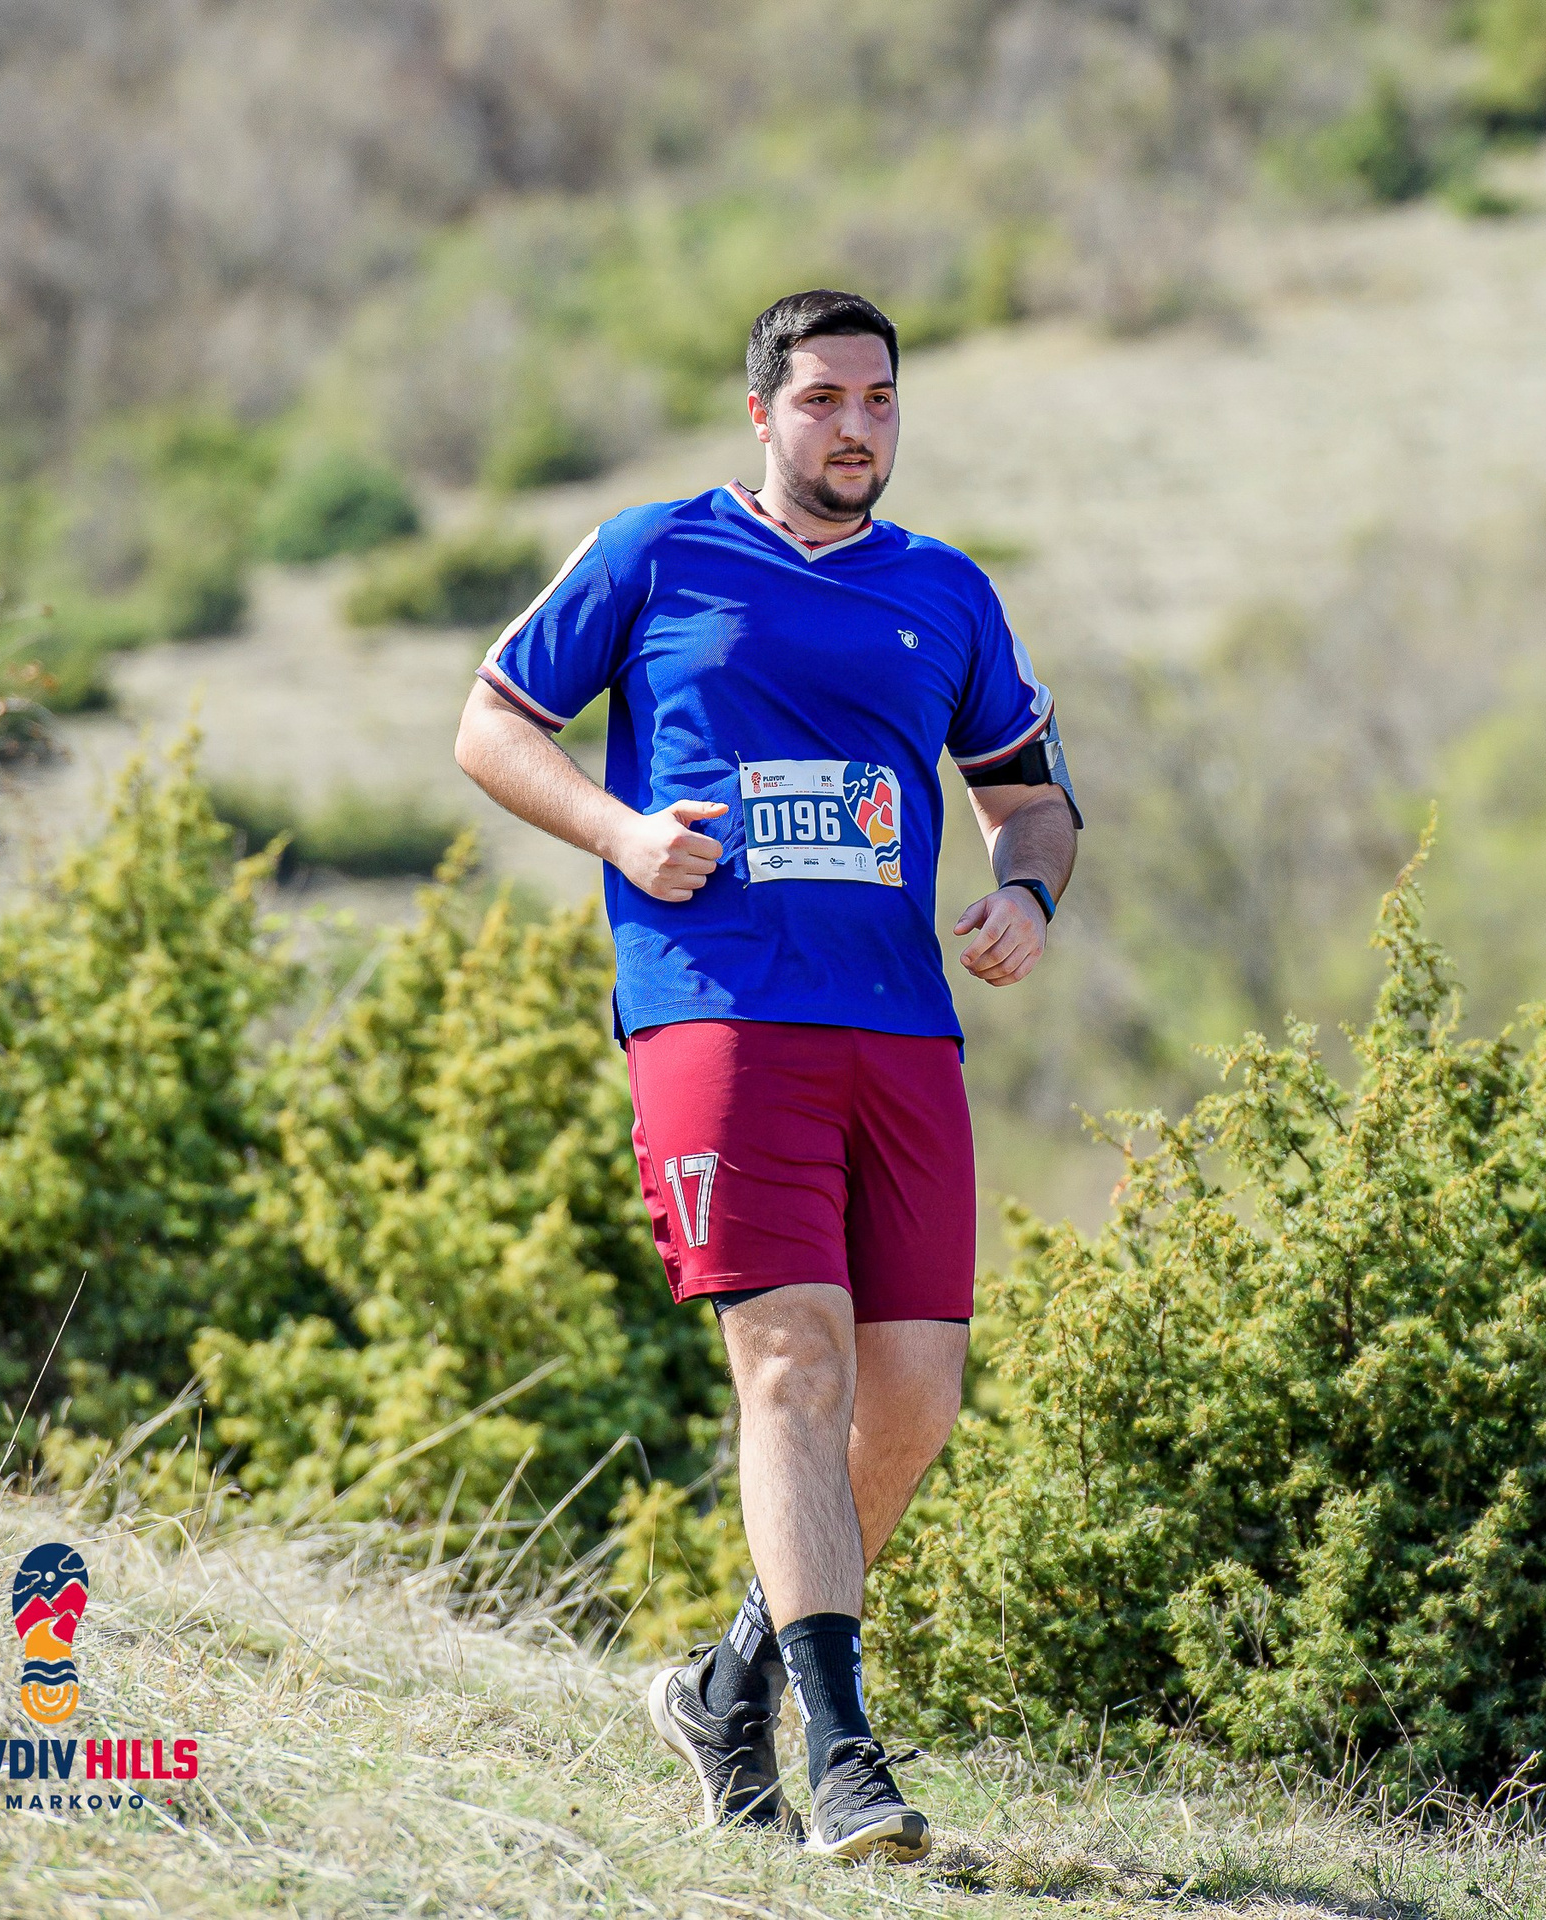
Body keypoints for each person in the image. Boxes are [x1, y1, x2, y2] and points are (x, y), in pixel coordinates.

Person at [453, 288, 1079, 1862]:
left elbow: (1031, 797)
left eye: (878, 399)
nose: (855, 425)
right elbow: (490, 722)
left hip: (900, 1028)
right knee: (793, 1362)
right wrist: (617, 832)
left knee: (915, 1400)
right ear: (761, 414)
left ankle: (727, 1680)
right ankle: (847, 1756)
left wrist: (1024, 894)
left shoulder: (946, 592)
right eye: (822, 400)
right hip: (717, 1014)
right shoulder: (652, 553)